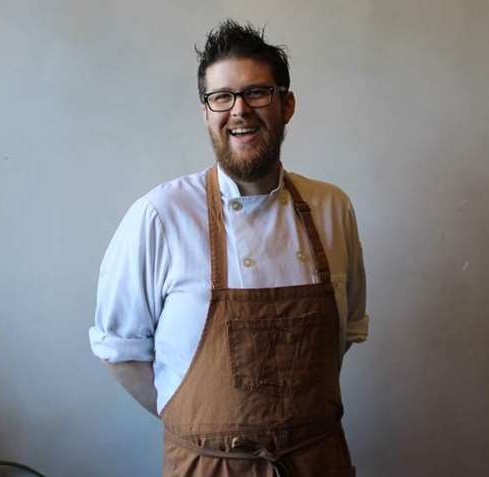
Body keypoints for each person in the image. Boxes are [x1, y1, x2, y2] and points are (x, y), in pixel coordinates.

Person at [89, 19, 369, 477]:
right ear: (206, 112)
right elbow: (120, 351)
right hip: (208, 467)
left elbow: (343, 334)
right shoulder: (161, 215)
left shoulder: (331, 207)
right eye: (222, 97)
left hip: (318, 461)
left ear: (287, 105)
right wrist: (199, 428)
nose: (239, 110)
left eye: (257, 92)